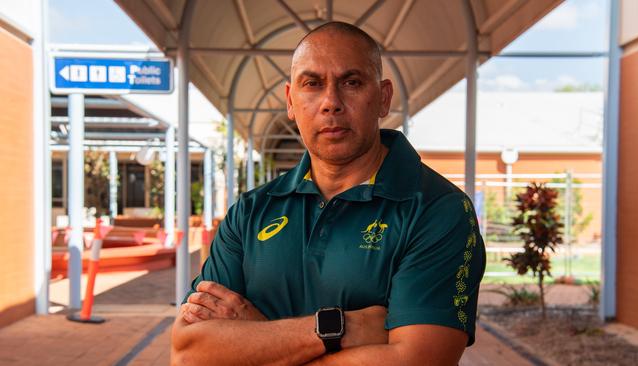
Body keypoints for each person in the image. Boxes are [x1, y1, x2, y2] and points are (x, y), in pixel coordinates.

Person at [171, 21, 485, 365]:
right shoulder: (250, 212)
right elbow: (189, 353)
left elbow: (419, 361)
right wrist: (341, 327)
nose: (331, 102)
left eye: (351, 82)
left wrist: (256, 341)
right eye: (313, 84)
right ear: (291, 100)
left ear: (383, 98)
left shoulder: (438, 210)